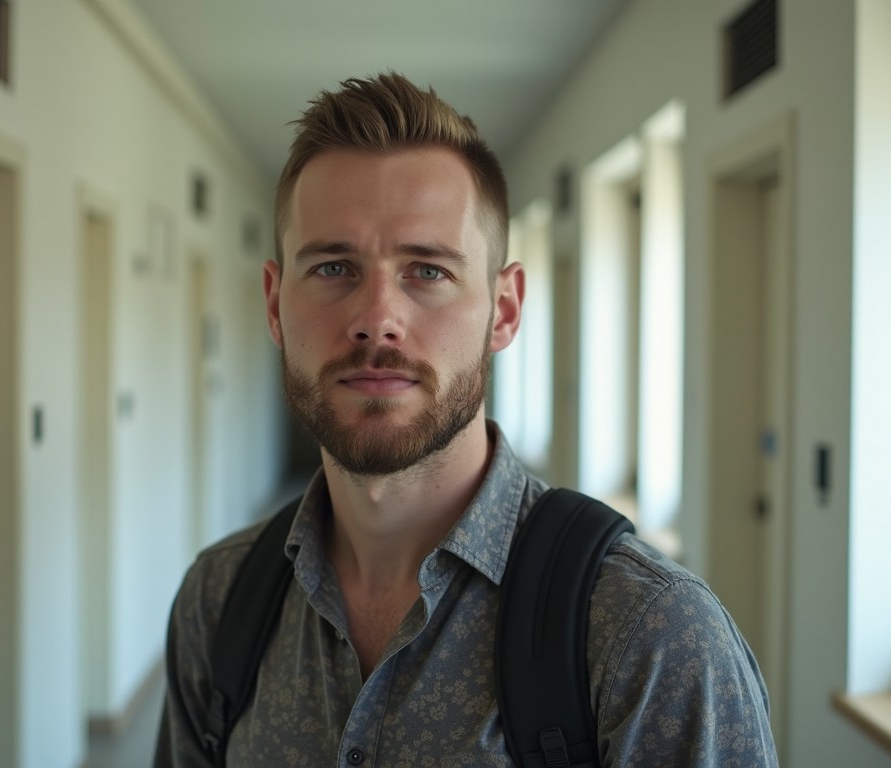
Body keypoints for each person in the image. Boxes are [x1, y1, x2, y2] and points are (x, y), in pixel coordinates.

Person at [154, 72, 778, 767]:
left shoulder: (650, 636)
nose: (376, 320)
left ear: (504, 309)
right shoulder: (218, 603)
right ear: (274, 305)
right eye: (333, 268)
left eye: (427, 271)